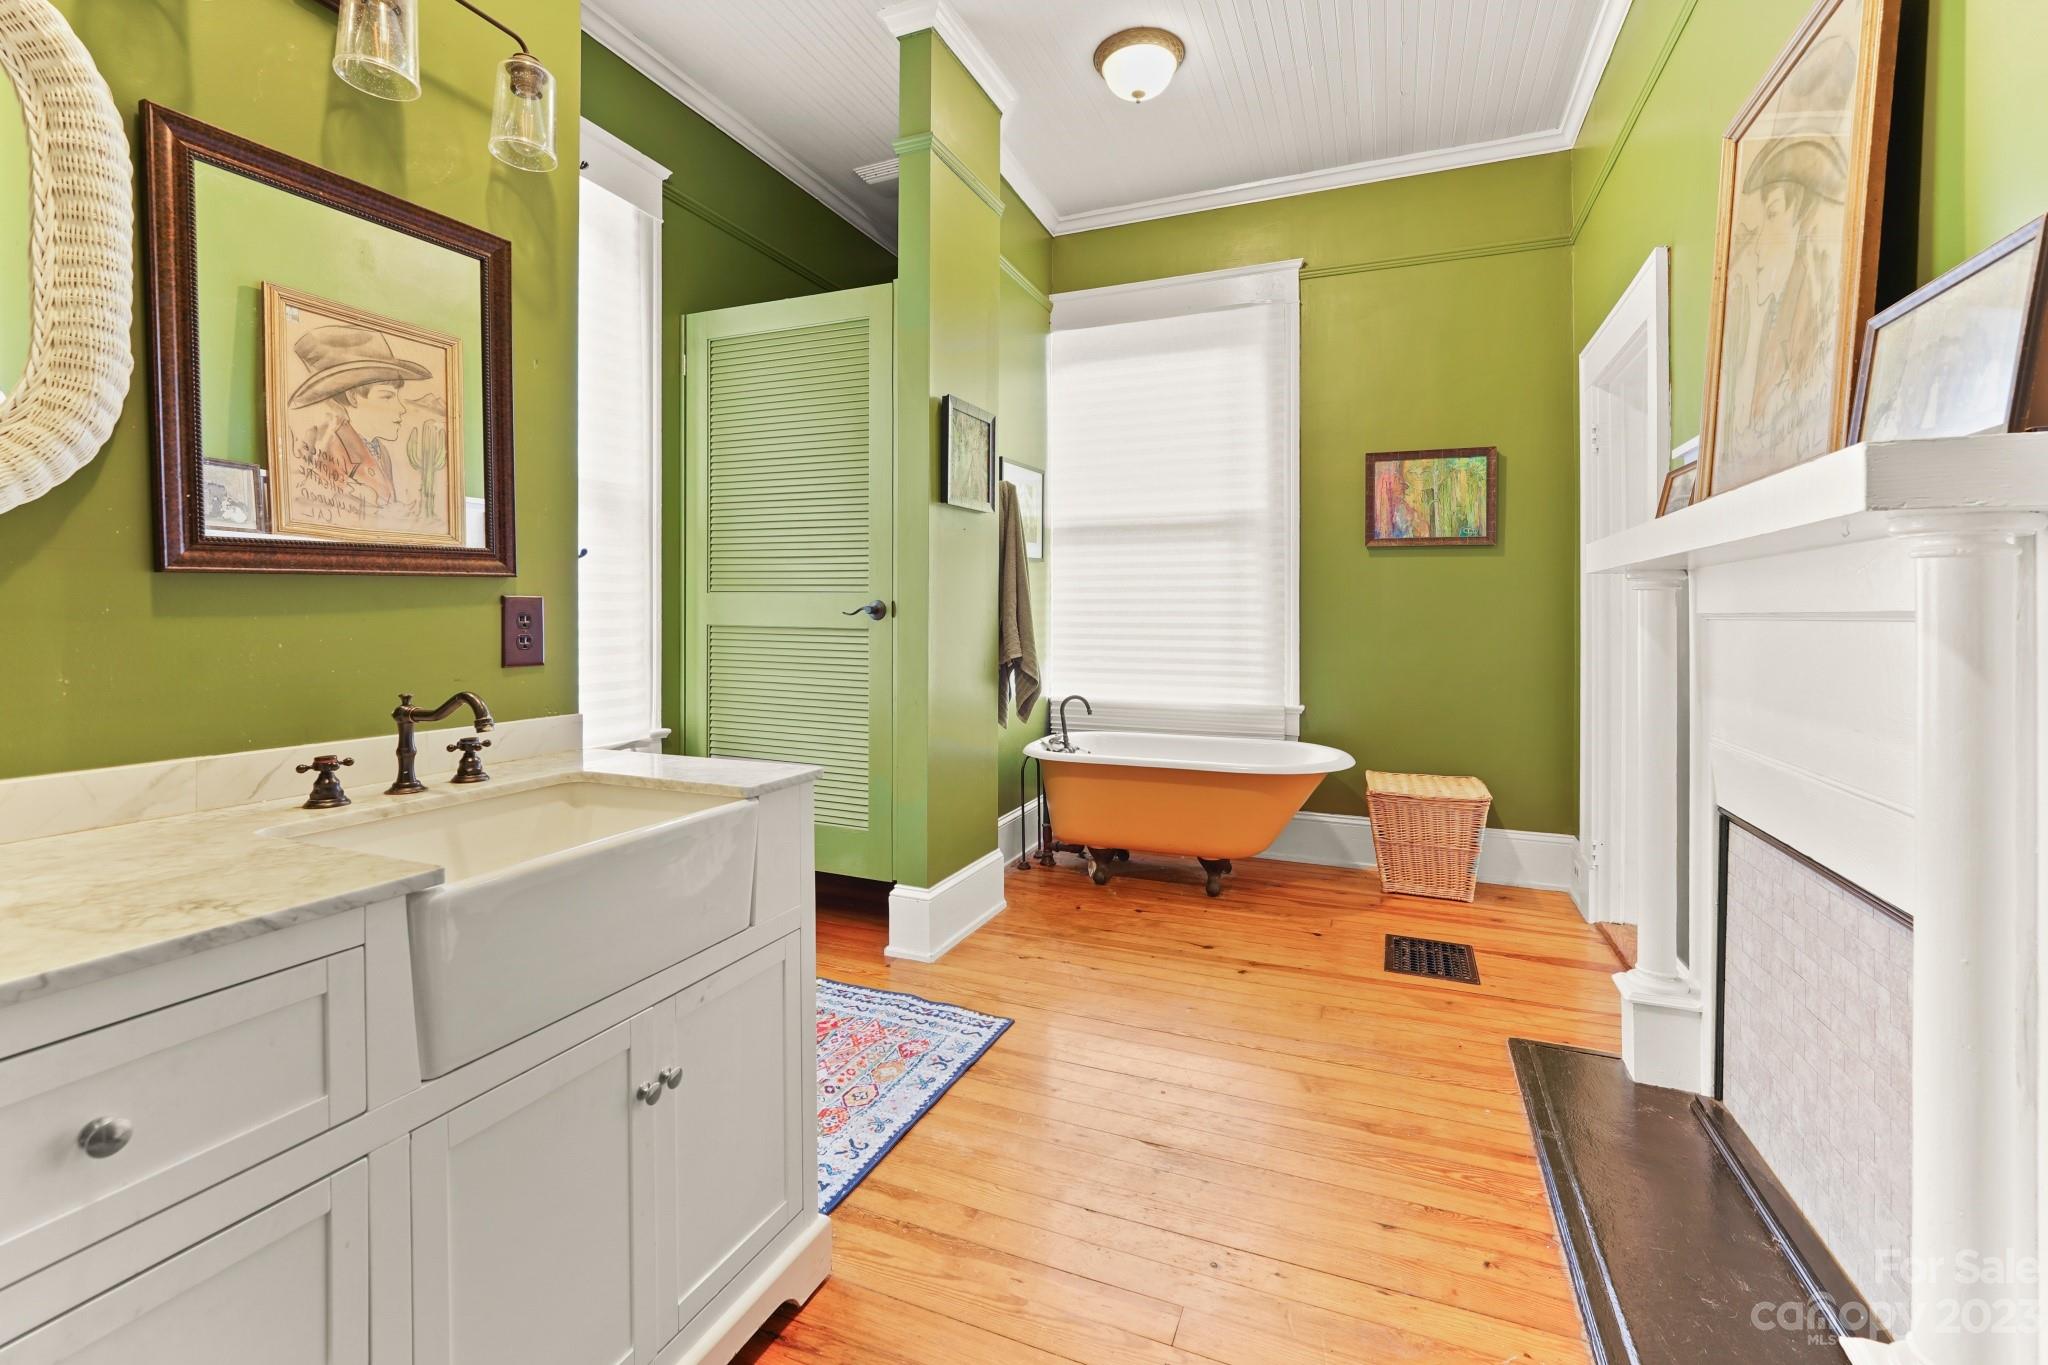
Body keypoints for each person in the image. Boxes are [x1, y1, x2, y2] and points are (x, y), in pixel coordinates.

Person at [286, 325, 430, 508]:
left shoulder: (381, 452)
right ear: (352, 397)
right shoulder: (330, 447)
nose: (401, 408)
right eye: (386, 396)